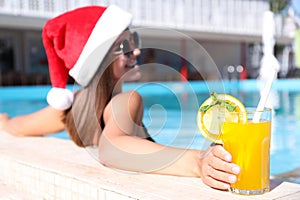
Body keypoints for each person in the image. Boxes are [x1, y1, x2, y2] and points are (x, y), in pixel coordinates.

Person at [0, 5, 240, 190]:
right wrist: (198, 162)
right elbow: (111, 149)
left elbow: (15, 126)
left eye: (133, 40)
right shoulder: (127, 100)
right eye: (124, 46)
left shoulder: (70, 110)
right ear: (101, 61)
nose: (135, 50)